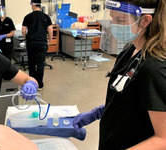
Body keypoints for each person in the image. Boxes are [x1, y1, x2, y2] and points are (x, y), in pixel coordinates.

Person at [74, 0, 166, 149]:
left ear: (145, 20)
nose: (113, 25)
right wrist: (99, 112)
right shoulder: (130, 51)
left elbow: (163, 139)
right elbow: (129, 97)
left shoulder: (155, 68)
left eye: (120, 20)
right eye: (112, 18)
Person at [22, 0, 53, 90]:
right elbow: (50, 30)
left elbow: (23, 31)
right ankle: (39, 84)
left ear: (33, 5)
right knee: (40, 63)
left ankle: (32, 83)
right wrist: (49, 41)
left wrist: (25, 38)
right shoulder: (46, 17)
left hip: (31, 43)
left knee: (31, 63)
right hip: (42, 43)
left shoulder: (28, 17)